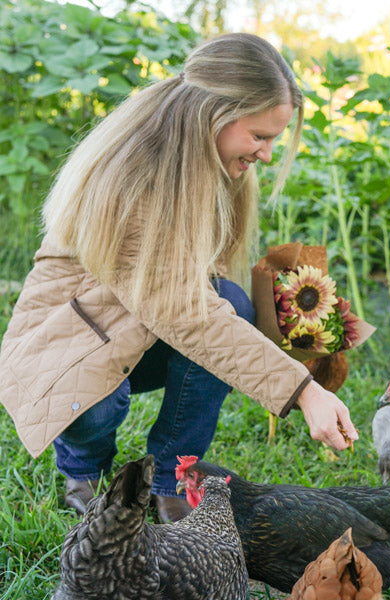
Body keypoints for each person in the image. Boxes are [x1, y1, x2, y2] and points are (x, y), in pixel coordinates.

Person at [0, 33, 358, 523]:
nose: (268, 154)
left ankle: (172, 478)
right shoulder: (136, 175)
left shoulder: (212, 163)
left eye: (274, 139)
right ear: (216, 113)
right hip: (71, 338)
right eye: (259, 136)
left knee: (228, 301)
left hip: (140, 322)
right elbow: (187, 315)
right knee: (103, 399)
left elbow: (200, 295)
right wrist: (303, 390)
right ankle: (83, 469)